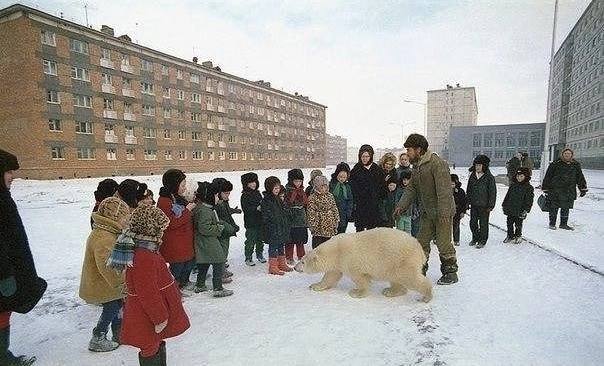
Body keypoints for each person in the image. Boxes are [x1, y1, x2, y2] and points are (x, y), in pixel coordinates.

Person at [107, 204, 190, 366]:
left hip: (149, 310)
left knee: (155, 341)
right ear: (151, 229)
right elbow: (147, 292)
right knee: (149, 345)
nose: (162, 233)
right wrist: (160, 318)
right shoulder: (144, 255)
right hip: (147, 313)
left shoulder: (147, 248)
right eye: (161, 229)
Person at [0, 149, 47, 366]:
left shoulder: (3, 196)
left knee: (4, 313)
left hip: (11, 271)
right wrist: (5, 275)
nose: (13, 176)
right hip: (4, 275)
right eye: (8, 171)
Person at [394, 134, 458, 285]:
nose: (407, 153)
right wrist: (401, 206)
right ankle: (419, 271)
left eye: (409, 150)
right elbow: (411, 189)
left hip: (443, 212)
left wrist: (443, 213)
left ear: (418, 149)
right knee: (421, 242)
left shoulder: (437, 164)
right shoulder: (417, 166)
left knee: (443, 243)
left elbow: (444, 191)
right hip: (428, 212)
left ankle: (450, 272)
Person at [79, 197, 130, 352]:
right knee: (113, 307)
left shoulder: (107, 232)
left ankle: (118, 333)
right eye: (124, 218)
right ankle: (98, 336)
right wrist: (122, 284)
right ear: (114, 217)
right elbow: (109, 268)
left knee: (117, 305)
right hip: (103, 284)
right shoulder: (103, 238)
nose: (127, 221)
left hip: (107, 284)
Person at [192, 182, 234, 297]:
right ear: (209, 196)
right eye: (215, 195)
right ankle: (218, 287)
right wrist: (218, 228)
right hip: (208, 241)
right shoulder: (205, 210)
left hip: (203, 242)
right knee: (219, 260)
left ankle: (200, 285)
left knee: (204, 263)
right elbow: (204, 228)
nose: (217, 197)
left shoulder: (205, 208)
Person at [157, 169, 196, 292]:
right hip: (174, 242)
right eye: (182, 185)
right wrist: (187, 211)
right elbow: (170, 222)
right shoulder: (164, 200)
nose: (184, 188)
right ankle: (174, 288)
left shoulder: (177, 197)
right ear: (174, 184)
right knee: (177, 267)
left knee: (188, 263)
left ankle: (184, 282)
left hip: (184, 240)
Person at [542, 148, 588, 230]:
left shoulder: (575, 165)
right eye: (565, 153)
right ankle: (552, 224)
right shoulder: (555, 163)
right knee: (554, 208)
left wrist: (583, 188)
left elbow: (580, 177)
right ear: (562, 154)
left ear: (572, 155)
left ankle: (563, 224)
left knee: (566, 208)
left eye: (569, 153)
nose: (567, 155)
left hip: (568, 190)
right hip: (555, 189)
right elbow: (548, 176)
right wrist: (545, 188)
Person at [350, 145, 385, 232]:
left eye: (367, 156)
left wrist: (379, 197)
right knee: (360, 230)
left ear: (371, 156)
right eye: (363, 156)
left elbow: (382, 186)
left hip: (373, 205)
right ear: (360, 156)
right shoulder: (356, 169)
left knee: (371, 230)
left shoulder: (377, 169)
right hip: (360, 205)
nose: (365, 159)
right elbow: (352, 185)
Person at [261, 177, 292, 275]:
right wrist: (272, 225)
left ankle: (282, 263)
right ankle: (273, 266)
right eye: (275, 188)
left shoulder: (278, 198)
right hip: (272, 229)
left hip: (280, 227)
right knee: (273, 247)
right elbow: (266, 216)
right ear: (269, 188)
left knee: (280, 246)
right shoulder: (267, 200)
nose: (277, 190)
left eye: (278, 188)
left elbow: (282, 211)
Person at [212, 178, 240, 282]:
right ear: (219, 192)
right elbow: (219, 219)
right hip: (221, 232)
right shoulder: (216, 204)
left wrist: (234, 213)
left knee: (225, 252)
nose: (228, 196)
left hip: (227, 231)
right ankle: (220, 273)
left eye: (229, 193)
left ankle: (222, 269)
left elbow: (227, 213)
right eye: (226, 193)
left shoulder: (224, 202)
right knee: (221, 253)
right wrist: (230, 227)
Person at [466, 154, 497, 248]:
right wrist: (467, 201)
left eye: (479, 165)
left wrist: (491, 205)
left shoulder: (489, 177)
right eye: (476, 165)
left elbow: (492, 192)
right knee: (473, 223)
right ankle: (475, 238)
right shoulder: (472, 176)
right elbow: (469, 189)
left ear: (484, 166)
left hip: (485, 206)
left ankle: (482, 240)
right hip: (474, 204)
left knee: (483, 224)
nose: (477, 167)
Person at [502, 168, 534, 244]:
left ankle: (518, 235)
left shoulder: (528, 188)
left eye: (521, 176)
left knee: (518, 224)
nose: (519, 178)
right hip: (510, 208)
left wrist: (526, 210)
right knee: (509, 223)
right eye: (518, 176)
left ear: (525, 177)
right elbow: (508, 196)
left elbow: (529, 200)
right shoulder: (513, 186)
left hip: (520, 209)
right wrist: (504, 204)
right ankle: (510, 235)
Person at [307, 175, 340, 248]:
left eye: (325, 186)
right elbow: (311, 212)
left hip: (329, 224)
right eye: (322, 187)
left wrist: (336, 219)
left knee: (328, 244)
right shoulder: (313, 197)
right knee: (317, 244)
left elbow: (334, 208)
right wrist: (313, 224)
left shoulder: (330, 196)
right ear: (317, 187)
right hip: (319, 225)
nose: (324, 189)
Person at [240, 172, 266, 266]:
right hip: (251, 223)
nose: (253, 184)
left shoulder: (258, 193)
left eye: (254, 182)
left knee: (260, 240)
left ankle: (259, 254)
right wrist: (256, 208)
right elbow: (246, 209)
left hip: (260, 221)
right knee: (250, 240)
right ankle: (248, 257)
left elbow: (262, 203)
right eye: (250, 183)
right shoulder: (244, 196)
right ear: (246, 184)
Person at [284, 169, 309, 266]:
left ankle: (301, 256)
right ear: (291, 181)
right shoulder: (287, 191)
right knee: (290, 240)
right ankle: (289, 257)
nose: (298, 183)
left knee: (300, 240)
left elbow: (306, 203)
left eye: (300, 181)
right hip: (291, 220)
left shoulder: (302, 191)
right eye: (295, 181)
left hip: (301, 220)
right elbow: (286, 204)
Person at [329, 162, 354, 234]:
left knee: (341, 233)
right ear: (337, 174)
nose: (342, 179)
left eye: (344, 177)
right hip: (332, 215)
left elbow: (350, 200)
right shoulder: (331, 185)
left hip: (343, 215)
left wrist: (348, 212)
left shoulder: (347, 187)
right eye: (340, 176)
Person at [450, 174, 468, 246]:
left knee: (456, 226)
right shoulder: (445, 191)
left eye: (453, 184)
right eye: (450, 184)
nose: (451, 186)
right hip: (448, 212)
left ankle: (456, 239)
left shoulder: (460, 191)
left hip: (457, 212)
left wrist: (463, 212)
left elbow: (464, 202)